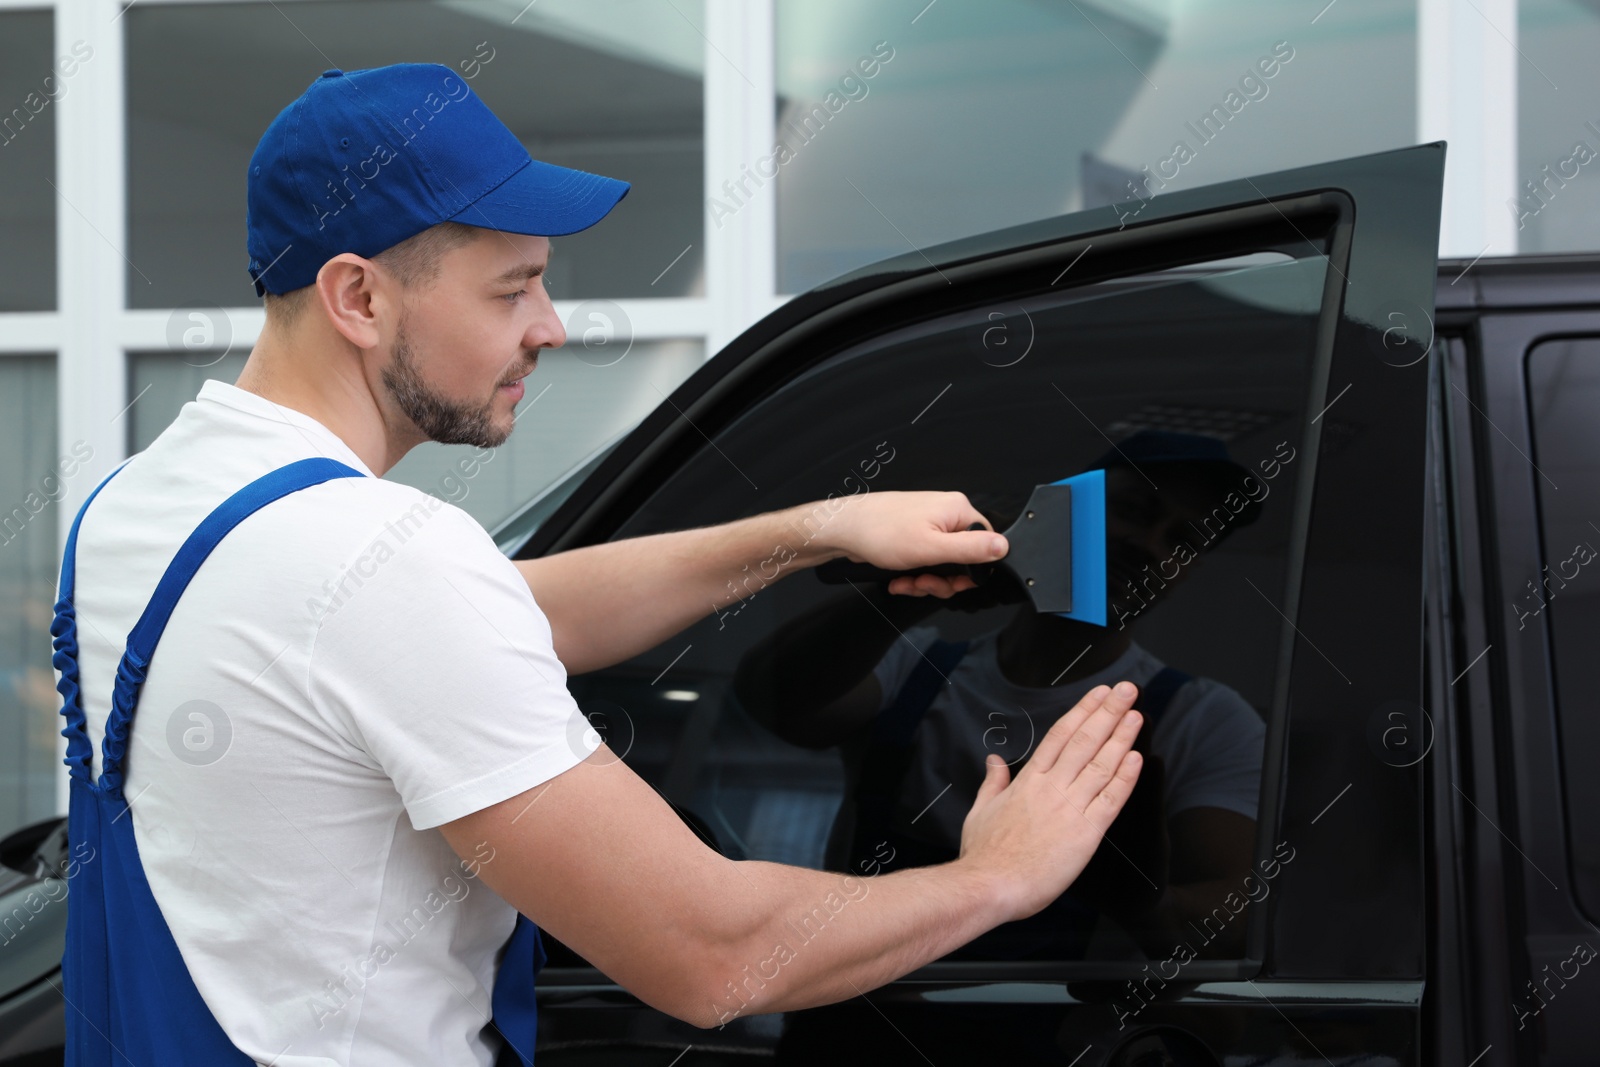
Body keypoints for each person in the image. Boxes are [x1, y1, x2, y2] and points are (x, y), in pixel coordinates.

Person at [51, 63, 1149, 1066]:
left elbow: (479, 619)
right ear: (359, 297)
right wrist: (997, 876)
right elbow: (711, 957)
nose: (553, 326)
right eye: (511, 287)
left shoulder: (138, 509)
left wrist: (813, 529)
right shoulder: (377, 563)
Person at [738, 431, 1270, 963]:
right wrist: (923, 585)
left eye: (1183, 541)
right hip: (849, 1024)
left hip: (1046, 1038)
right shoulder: (912, 666)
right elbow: (771, 701)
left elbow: (1235, 925)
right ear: (1061, 510)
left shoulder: (1206, 720)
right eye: (1132, 510)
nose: (1150, 545)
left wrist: (1144, 906)